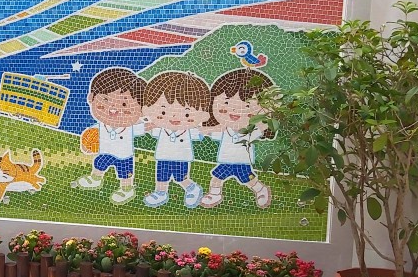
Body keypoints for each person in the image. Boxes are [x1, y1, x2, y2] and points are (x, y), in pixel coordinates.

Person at [200, 69, 275, 209]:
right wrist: (204, 130)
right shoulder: (225, 130)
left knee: (249, 180)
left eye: (247, 105)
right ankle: (214, 194)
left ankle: (260, 189)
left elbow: (263, 125)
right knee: (217, 177)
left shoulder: (250, 132)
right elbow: (212, 133)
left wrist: (268, 113)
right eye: (227, 103)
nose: (234, 111)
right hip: (225, 161)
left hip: (242, 162)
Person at [77, 67, 147, 204]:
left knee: (125, 173)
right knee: (99, 164)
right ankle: (95, 178)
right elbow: (90, 136)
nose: (113, 108)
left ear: (141, 111)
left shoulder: (130, 127)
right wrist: (86, 146)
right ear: (91, 98)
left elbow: (145, 127)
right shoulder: (101, 126)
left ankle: (126, 189)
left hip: (124, 156)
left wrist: (155, 123)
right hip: (105, 151)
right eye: (105, 99)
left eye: (124, 104)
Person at [142, 71, 211, 209]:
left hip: (181, 158)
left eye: (186, 113)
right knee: (161, 176)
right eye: (163, 112)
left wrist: (211, 128)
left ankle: (192, 188)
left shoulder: (189, 131)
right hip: (163, 157)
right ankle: (160, 193)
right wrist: (149, 124)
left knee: (181, 177)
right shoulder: (161, 129)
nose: (174, 117)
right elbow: (146, 128)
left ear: (202, 115)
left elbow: (203, 132)